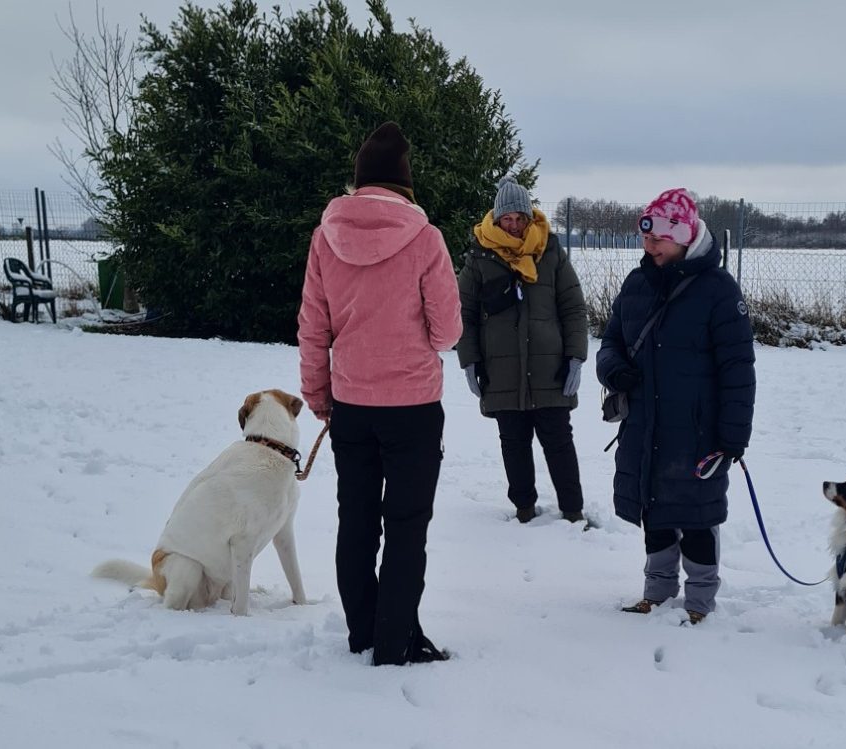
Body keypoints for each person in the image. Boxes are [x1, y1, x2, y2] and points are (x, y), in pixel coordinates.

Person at [297, 121, 462, 665]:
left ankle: (362, 633)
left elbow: (312, 327)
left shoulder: (326, 237)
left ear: (360, 180)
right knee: (407, 527)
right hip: (413, 408)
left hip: (351, 407)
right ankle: (395, 644)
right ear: (405, 183)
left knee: (358, 522)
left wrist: (318, 395)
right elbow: (449, 333)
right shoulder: (427, 239)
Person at [596, 187, 756, 624]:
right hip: (645, 423)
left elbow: (738, 370)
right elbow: (610, 341)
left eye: (660, 240)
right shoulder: (637, 284)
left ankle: (700, 601)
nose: (651, 247)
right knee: (655, 510)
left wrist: (732, 438)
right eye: (646, 239)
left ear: (685, 237)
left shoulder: (719, 291)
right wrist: (613, 370)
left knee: (697, 516)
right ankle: (658, 592)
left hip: (697, 431)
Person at [456, 177, 589, 524]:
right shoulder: (479, 257)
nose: (513, 225)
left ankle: (573, 512)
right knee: (513, 443)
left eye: (519, 218)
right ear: (497, 219)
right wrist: (469, 361)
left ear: (529, 218)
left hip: (551, 370)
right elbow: (463, 314)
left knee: (559, 441)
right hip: (501, 372)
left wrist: (575, 356)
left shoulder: (551, 252)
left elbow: (573, 307)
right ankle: (524, 509)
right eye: (507, 219)